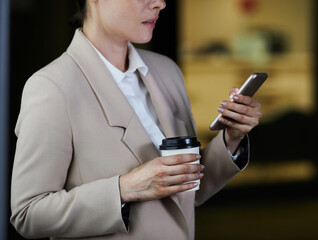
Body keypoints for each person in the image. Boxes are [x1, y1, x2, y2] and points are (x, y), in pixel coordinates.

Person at [10, 0, 262, 239]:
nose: (160, 3)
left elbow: (185, 192)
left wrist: (231, 137)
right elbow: (28, 213)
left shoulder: (167, 72)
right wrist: (125, 189)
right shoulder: (52, 87)